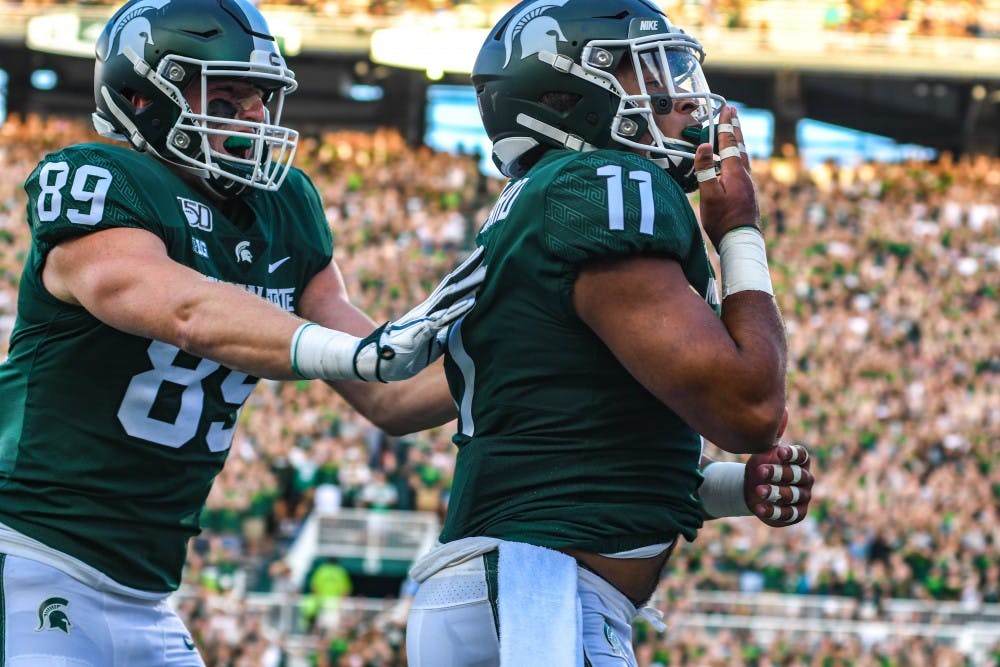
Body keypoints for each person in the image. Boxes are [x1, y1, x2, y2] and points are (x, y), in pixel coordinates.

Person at [0, 1, 484, 665]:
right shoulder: (100, 179)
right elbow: (185, 311)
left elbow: (389, 393)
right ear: (142, 98)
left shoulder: (284, 207)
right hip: (30, 562)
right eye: (227, 97)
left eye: (259, 97)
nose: (255, 117)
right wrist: (349, 354)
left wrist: (526, 358)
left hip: (148, 595)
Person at [405, 1, 815, 666]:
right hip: (540, 590)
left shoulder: (557, 198)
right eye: (648, 69)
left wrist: (729, 488)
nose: (683, 96)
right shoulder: (607, 183)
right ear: (572, 95)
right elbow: (751, 408)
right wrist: (739, 227)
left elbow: (583, 434)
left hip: (525, 586)